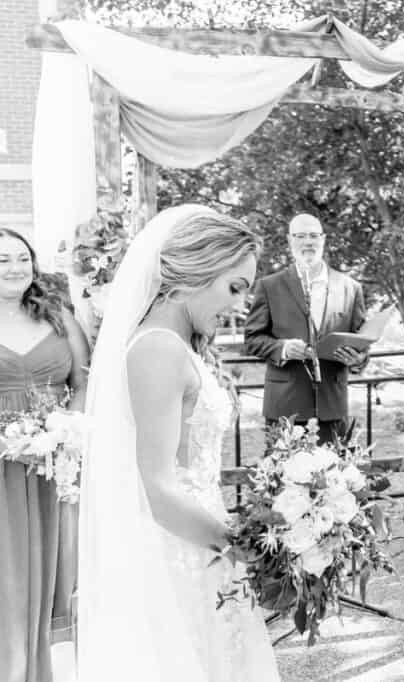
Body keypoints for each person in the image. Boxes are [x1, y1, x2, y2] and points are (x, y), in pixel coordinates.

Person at [77, 205, 280, 681]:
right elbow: (159, 490)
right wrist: (248, 545)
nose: (239, 305)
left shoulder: (176, 342)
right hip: (178, 553)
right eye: (234, 288)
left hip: (203, 539)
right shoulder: (157, 349)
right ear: (197, 270)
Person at [0, 228, 89, 682]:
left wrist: (66, 429)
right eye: (3, 260)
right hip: (3, 463)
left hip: (56, 463)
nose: (15, 268)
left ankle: (52, 667)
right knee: (9, 569)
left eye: (21, 258)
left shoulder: (58, 318)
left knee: (59, 565)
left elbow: (83, 381)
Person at [245, 213, 367, 445]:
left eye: (313, 235)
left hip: (332, 407)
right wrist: (282, 348)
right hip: (284, 407)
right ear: (290, 241)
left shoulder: (351, 288)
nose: (308, 242)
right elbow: (252, 339)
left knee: (336, 477)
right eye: (300, 236)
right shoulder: (269, 286)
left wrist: (357, 359)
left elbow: (362, 342)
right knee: (282, 479)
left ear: (323, 239)